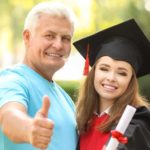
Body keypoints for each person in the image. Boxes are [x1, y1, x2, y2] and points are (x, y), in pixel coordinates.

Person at [0, 1, 77, 150]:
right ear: (27, 37)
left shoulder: (65, 99)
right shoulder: (12, 80)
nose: (59, 45)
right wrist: (29, 130)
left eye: (65, 38)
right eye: (49, 36)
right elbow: (8, 117)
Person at [73, 19, 150, 150]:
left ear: (131, 80)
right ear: (94, 73)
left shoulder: (137, 122)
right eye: (104, 69)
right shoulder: (82, 120)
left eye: (122, 73)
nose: (111, 78)